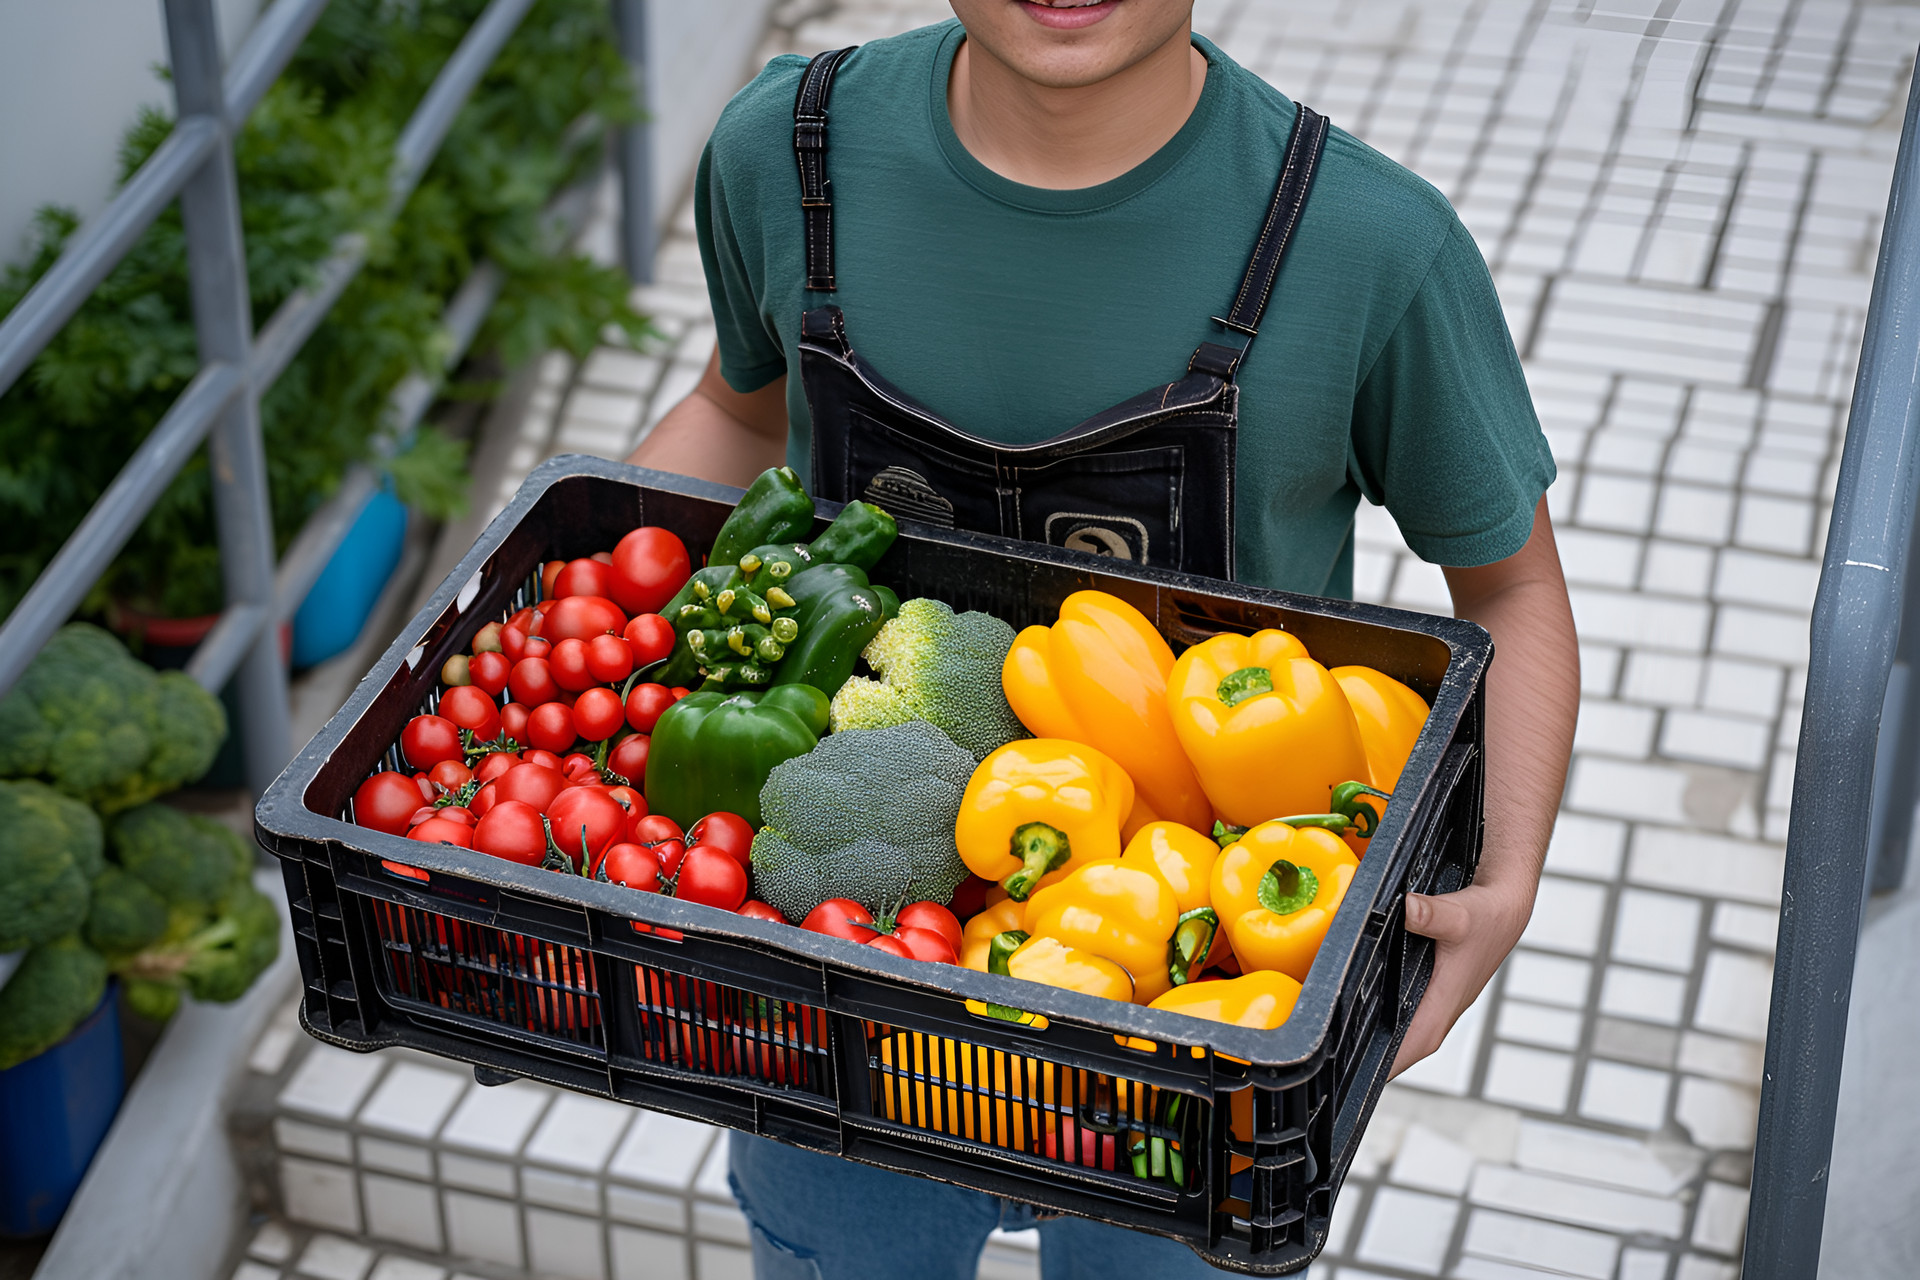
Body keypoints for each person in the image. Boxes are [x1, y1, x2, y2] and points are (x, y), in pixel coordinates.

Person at [627, 2, 1579, 1274]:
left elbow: (1509, 591)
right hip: (836, 984)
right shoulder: (783, 148)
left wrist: (1504, 881)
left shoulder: (1367, 245)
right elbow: (734, 416)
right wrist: (590, 636)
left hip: (1194, 1005)